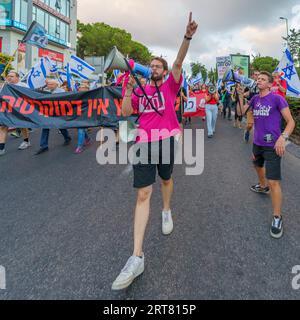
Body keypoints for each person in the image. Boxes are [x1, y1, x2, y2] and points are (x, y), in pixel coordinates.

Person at [111, 12, 198, 291]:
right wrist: (126, 90)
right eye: (151, 65)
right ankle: (137, 256)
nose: (154, 68)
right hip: (144, 142)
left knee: (167, 181)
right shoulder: (139, 89)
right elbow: (126, 113)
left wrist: (186, 37)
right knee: (143, 193)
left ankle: (167, 209)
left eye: (157, 66)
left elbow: (179, 61)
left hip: (166, 141)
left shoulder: (172, 86)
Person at [237, 71, 295, 239]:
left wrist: (282, 138)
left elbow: (291, 121)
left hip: (273, 145)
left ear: (270, 84)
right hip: (257, 143)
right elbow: (241, 112)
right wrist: (240, 96)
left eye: (262, 79)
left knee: (274, 181)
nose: (259, 81)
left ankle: (277, 217)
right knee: (256, 165)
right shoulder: (255, 99)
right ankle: (263, 187)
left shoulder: (277, 99)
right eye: (258, 79)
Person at [35, 79, 72, 155]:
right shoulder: (46, 90)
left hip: (58, 112)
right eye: (49, 84)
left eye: (51, 84)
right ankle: (44, 146)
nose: (49, 86)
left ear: (56, 85)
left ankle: (67, 138)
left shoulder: (61, 91)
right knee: (45, 127)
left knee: (61, 126)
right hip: (48, 113)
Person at [0, 71, 31, 156]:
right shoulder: (4, 86)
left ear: (17, 78)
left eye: (12, 76)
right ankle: (1, 148)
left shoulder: (23, 85)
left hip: (19, 110)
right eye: (8, 76)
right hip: (7, 110)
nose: (9, 77)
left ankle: (26, 141)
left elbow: (30, 96)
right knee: (3, 127)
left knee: (22, 126)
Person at [243, 71, 260, 143]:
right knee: (250, 125)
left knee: (260, 126)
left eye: (258, 75)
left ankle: (259, 140)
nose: (257, 76)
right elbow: (245, 94)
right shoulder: (249, 85)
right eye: (255, 75)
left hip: (260, 108)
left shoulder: (262, 85)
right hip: (251, 107)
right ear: (253, 76)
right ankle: (247, 131)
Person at [75, 83, 91, 154]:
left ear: (87, 88)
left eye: (82, 87)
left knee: (81, 129)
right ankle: (87, 138)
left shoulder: (91, 96)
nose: (80, 88)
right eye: (80, 87)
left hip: (87, 116)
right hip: (78, 115)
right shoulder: (75, 95)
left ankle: (79, 146)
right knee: (81, 129)